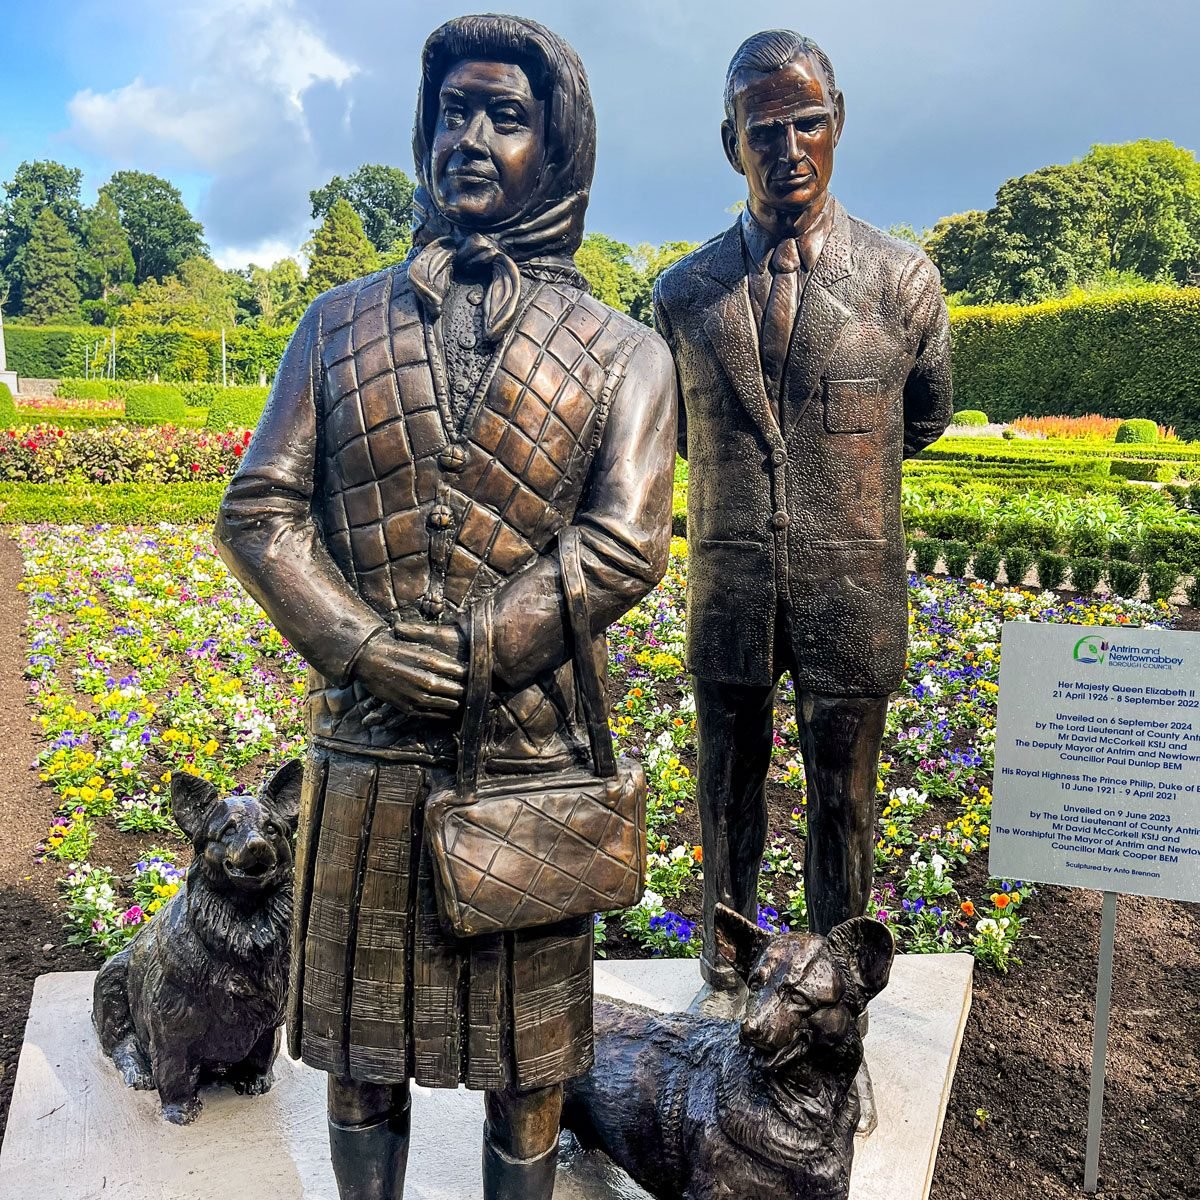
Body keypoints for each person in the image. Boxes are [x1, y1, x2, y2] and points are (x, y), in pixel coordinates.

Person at [216, 15, 675, 1198]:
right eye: (454, 113)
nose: (470, 139)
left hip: (527, 758)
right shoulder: (336, 323)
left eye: (505, 117)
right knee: (362, 1052)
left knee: (529, 1064)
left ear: (556, 148)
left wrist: (480, 644)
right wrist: (361, 645)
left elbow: (624, 543)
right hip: (367, 753)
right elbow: (259, 509)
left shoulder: (626, 353)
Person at [652, 28, 952, 1116]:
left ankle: (832, 1015)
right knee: (725, 795)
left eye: (808, 121)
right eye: (763, 128)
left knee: (846, 808)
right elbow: (682, 436)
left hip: (852, 590)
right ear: (729, 141)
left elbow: (924, 416)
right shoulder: (682, 296)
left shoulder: (905, 280)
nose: (788, 147)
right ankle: (723, 984)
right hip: (730, 591)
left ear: (839, 121)